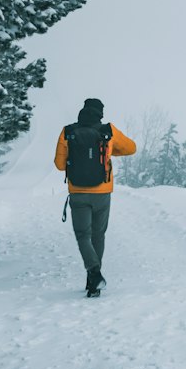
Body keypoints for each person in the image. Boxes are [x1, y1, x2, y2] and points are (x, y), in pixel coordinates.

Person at [54, 98, 137, 295]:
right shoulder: (108, 130)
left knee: (83, 235)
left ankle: (94, 274)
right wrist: (110, 149)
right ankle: (94, 280)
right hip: (102, 192)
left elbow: (59, 164)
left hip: (78, 193)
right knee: (98, 235)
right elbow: (131, 148)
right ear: (100, 113)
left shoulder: (68, 131)